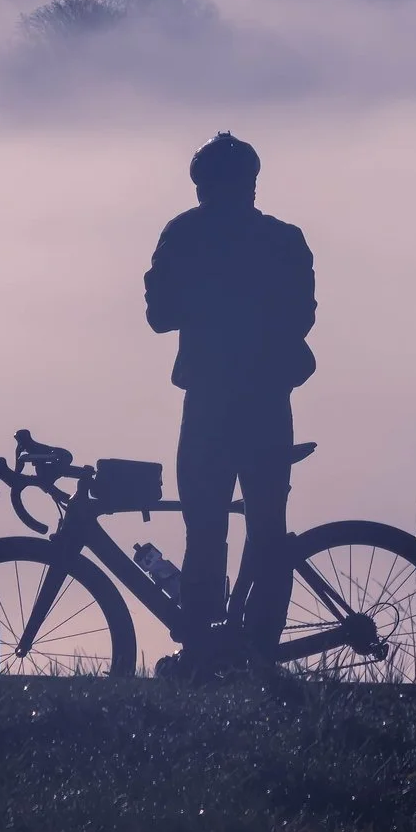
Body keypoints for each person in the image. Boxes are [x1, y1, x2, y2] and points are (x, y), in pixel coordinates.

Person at [143, 131, 316, 674]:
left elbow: (159, 315)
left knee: (205, 530)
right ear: (252, 184)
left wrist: (194, 292)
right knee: (267, 530)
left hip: (210, 403)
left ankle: (201, 655)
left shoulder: (185, 234)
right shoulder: (285, 240)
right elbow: (302, 318)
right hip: (268, 402)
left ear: (201, 186)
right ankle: (260, 653)